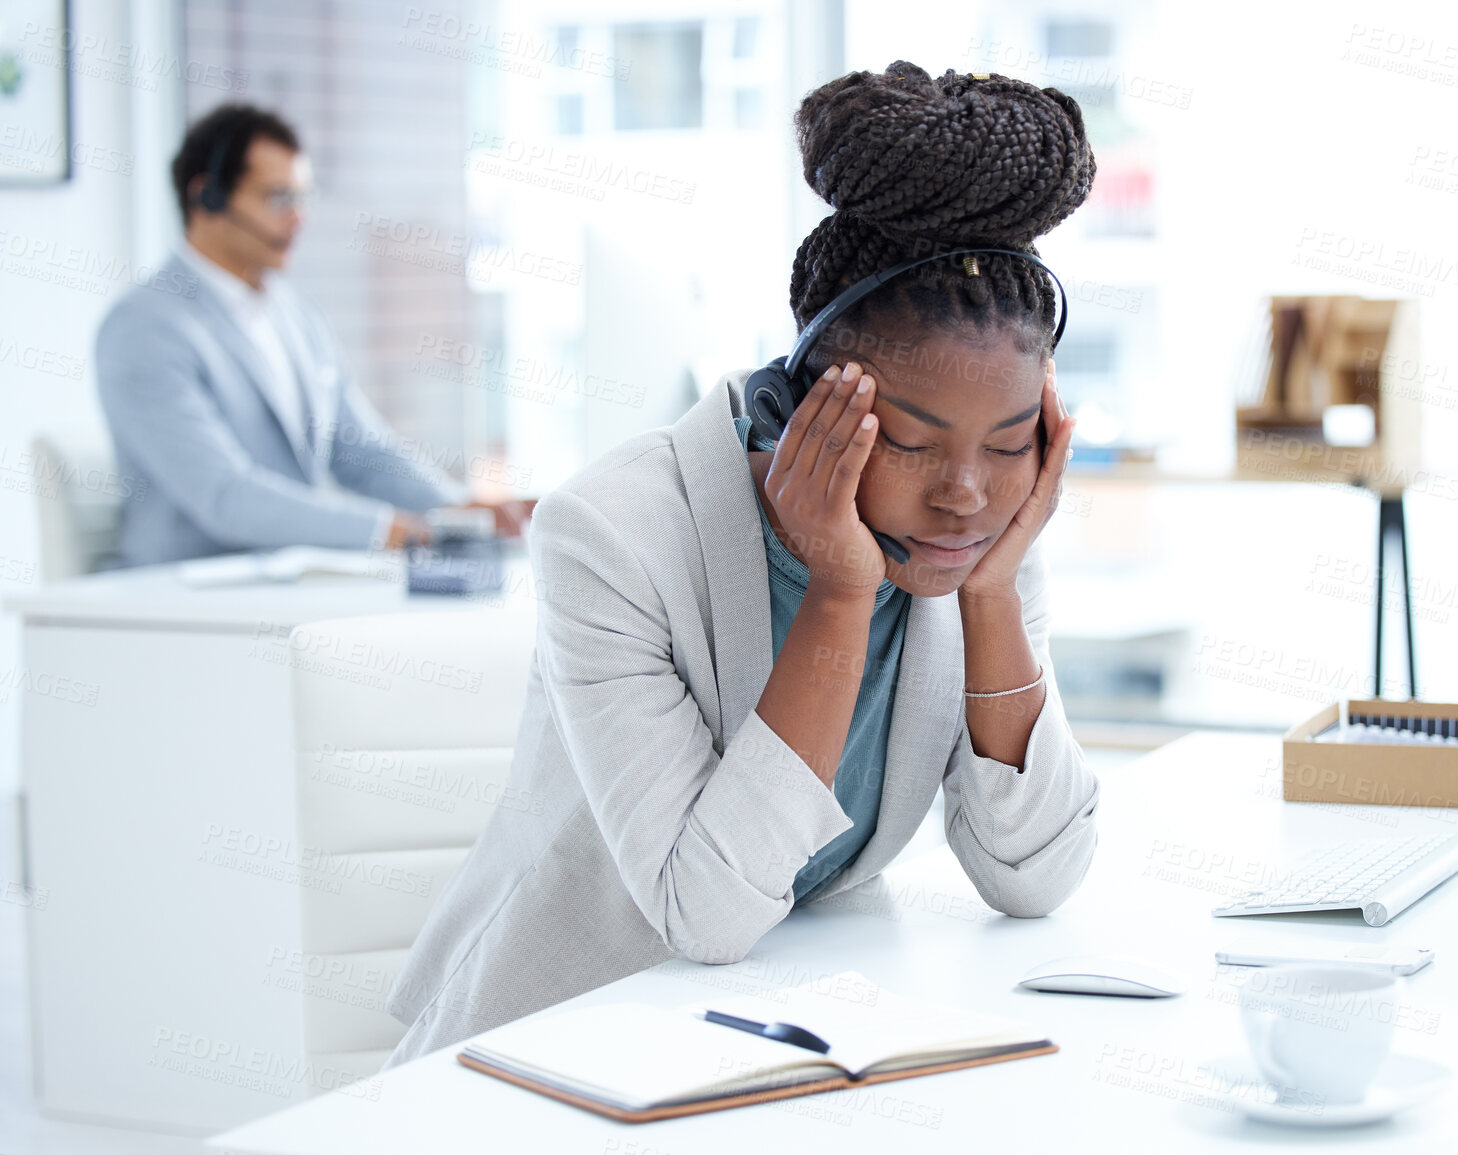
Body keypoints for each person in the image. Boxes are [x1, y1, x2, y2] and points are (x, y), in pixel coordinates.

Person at [384, 61, 1102, 1063]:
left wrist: (991, 597)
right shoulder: (612, 536)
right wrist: (843, 592)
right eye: (913, 441)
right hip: (556, 1048)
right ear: (800, 405)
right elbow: (706, 914)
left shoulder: (975, 543)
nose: (967, 493)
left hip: (782, 1033)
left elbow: (1036, 875)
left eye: (1011, 439)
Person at [93, 103, 526, 568]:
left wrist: (456, 512)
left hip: (289, 580)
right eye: (279, 199)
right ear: (208, 198)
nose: (299, 219)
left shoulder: (293, 314)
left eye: (302, 199)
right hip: (178, 595)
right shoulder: (146, 326)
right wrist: (390, 531)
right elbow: (222, 493)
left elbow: (360, 450)